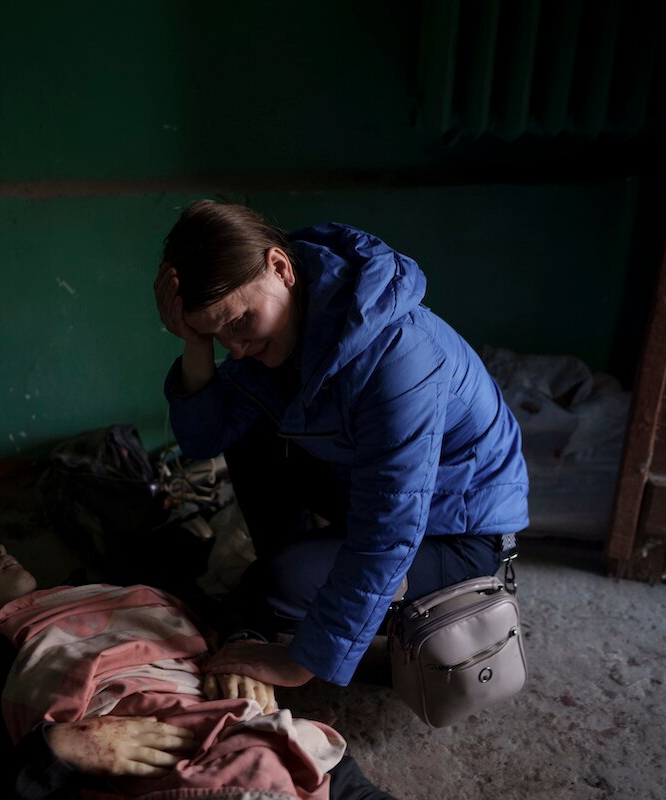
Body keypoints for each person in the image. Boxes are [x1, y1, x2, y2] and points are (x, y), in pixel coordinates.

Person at [153, 200, 529, 690]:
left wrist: (299, 663)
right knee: (252, 434)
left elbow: (388, 529)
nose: (237, 348)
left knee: (276, 586)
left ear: (281, 268)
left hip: (456, 530)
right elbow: (206, 438)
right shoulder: (275, 329)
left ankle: (292, 588)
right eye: (217, 335)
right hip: (368, 493)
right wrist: (194, 341)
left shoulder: (399, 353)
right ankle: (296, 582)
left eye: (240, 322)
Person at [0, 543, 397, 799]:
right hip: (175, 763)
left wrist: (240, 649)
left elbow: (221, 604)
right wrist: (58, 751)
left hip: (267, 732)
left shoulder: (108, 587)